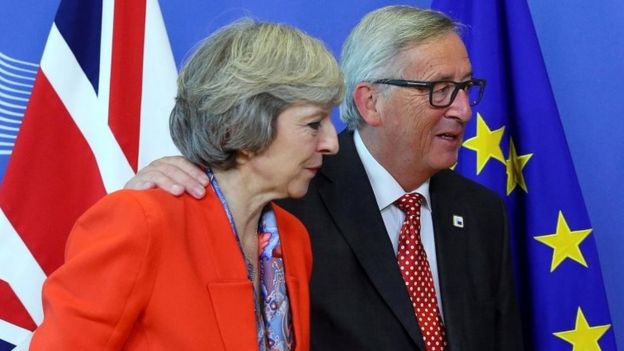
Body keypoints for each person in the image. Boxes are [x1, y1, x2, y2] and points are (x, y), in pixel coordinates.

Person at [126, 6, 524, 351]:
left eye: (465, 88)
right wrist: (165, 185)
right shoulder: (285, 196)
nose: (462, 110)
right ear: (371, 102)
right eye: (439, 89)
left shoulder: (481, 212)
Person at [30, 19, 343, 351]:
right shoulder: (140, 221)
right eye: (313, 123)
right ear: (243, 126)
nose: (331, 143)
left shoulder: (293, 238)